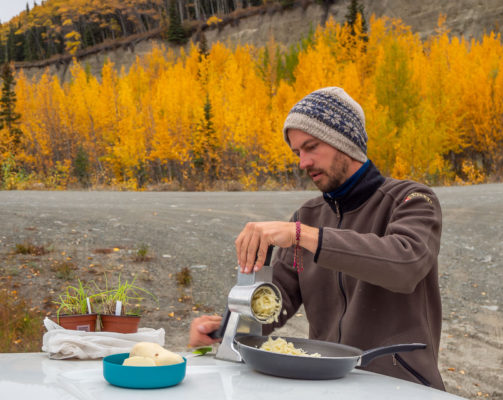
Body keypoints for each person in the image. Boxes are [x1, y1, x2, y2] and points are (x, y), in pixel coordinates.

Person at [189, 87, 445, 390]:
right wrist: (226, 326)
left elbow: (406, 264)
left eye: (311, 147)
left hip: (400, 386)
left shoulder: (411, 199)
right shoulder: (307, 216)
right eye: (298, 152)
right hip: (326, 384)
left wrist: (305, 236)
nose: (303, 163)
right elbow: (276, 299)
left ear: (345, 142)